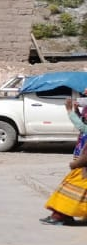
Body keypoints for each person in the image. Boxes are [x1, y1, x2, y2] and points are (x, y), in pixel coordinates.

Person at [41, 95, 87, 226]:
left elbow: (82, 127)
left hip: (83, 168)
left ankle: (59, 216)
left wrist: (74, 164)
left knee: (69, 190)